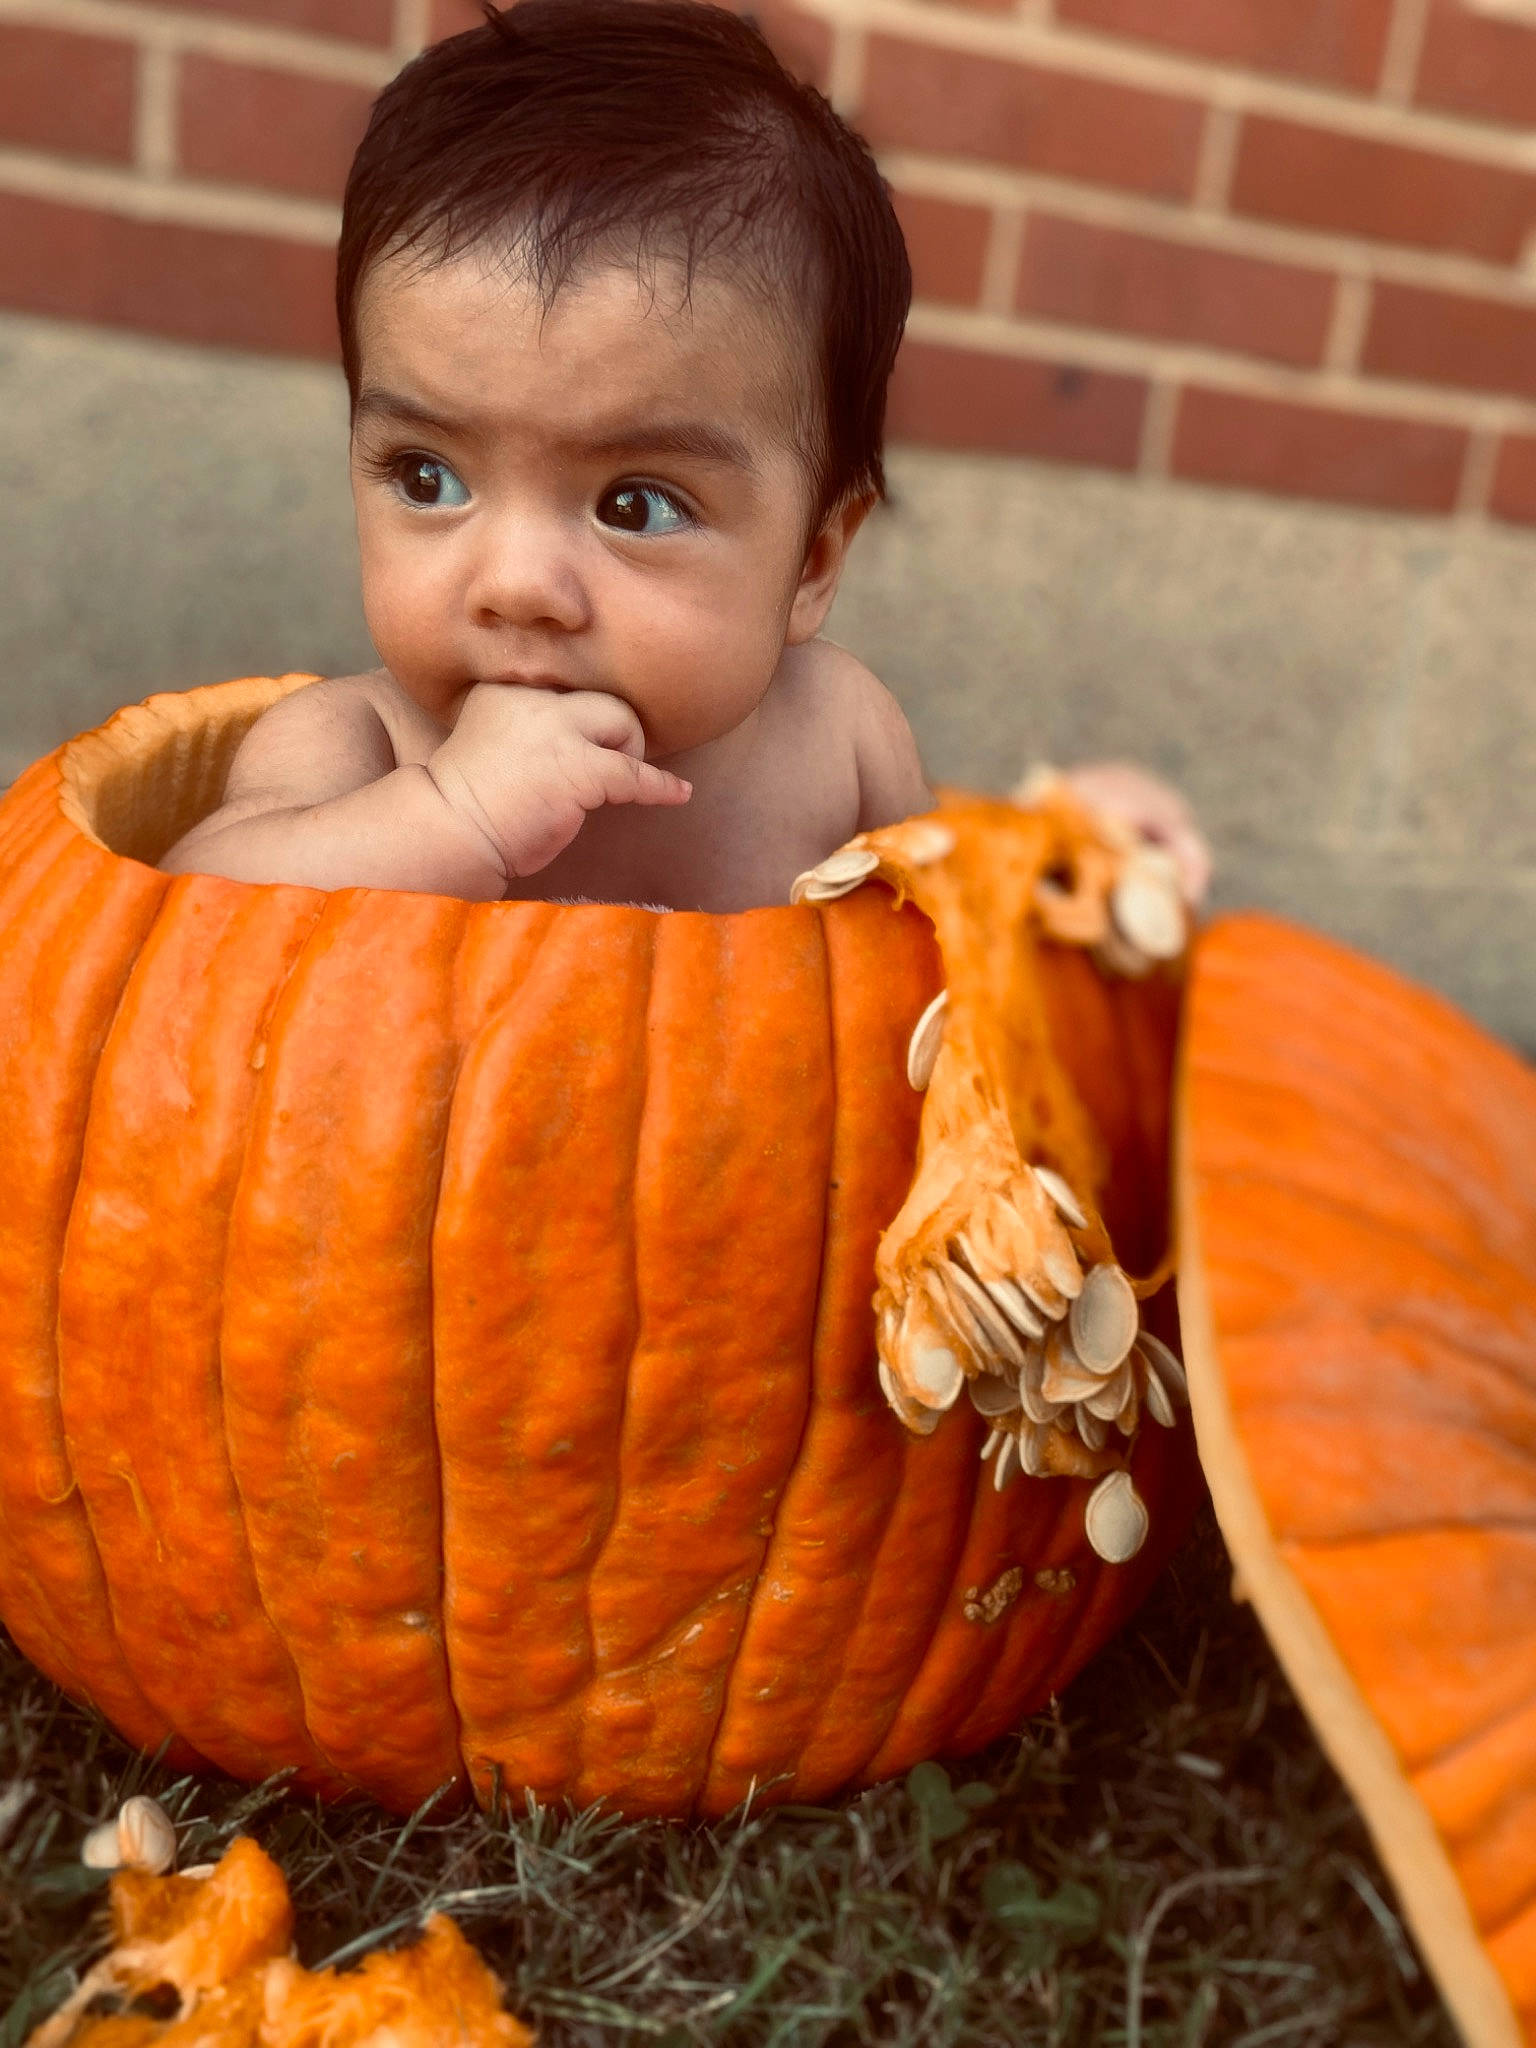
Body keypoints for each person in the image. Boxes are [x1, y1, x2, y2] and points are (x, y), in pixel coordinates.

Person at [160, 0, 1207, 912]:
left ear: (812, 563)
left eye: (635, 505)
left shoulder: (836, 736)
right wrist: (451, 814)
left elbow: (946, 948)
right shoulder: (353, 743)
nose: (518, 585)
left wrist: (1058, 867)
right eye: (429, 477)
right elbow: (189, 915)